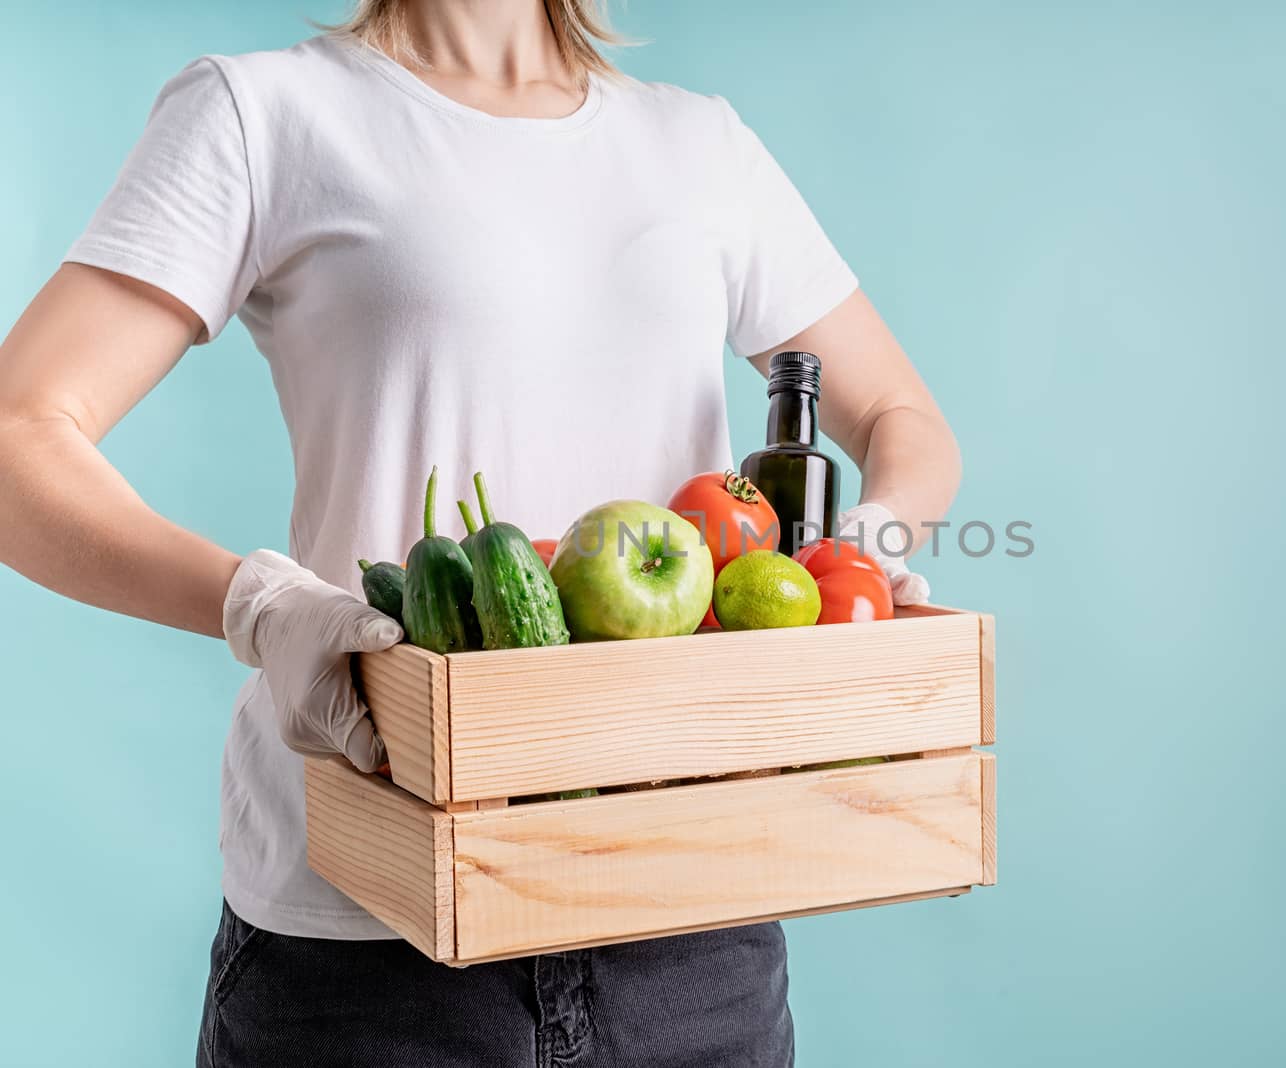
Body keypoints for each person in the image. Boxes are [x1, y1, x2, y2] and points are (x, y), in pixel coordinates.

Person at [0, 1, 961, 1064]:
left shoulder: (699, 143)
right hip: (371, 941)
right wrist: (259, 606)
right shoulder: (265, 111)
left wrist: (858, 548)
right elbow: (17, 439)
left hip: (688, 926)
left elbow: (898, 418)